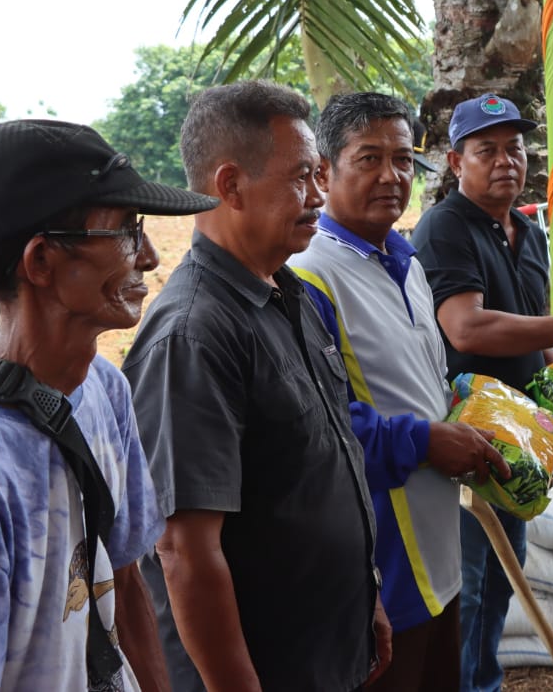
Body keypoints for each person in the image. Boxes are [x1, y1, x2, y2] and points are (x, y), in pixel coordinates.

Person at [0, 118, 217, 689]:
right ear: (40, 263)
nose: (147, 257)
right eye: (123, 230)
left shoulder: (103, 389)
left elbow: (124, 579)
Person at [122, 81, 387, 691]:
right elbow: (185, 551)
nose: (320, 193)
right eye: (301, 177)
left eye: (319, 173)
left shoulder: (286, 294)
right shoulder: (193, 336)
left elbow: (319, 472)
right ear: (230, 185)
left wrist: (360, 599)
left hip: (322, 650)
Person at [288, 92, 511, 691]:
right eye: (368, 159)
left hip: (439, 548)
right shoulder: (310, 275)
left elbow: (425, 384)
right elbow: (314, 427)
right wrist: (425, 439)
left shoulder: (406, 261)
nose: (392, 176)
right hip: (382, 562)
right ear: (324, 170)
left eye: (404, 159)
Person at [411, 92, 553, 692]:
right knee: (473, 582)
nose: (506, 161)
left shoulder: (527, 232)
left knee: (505, 576)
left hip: (523, 439)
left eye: (514, 149)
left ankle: (484, 682)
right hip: (470, 434)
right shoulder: (444, 227)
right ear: (456, 162)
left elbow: (542, 339)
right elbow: (465, 326)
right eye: (487, 151)